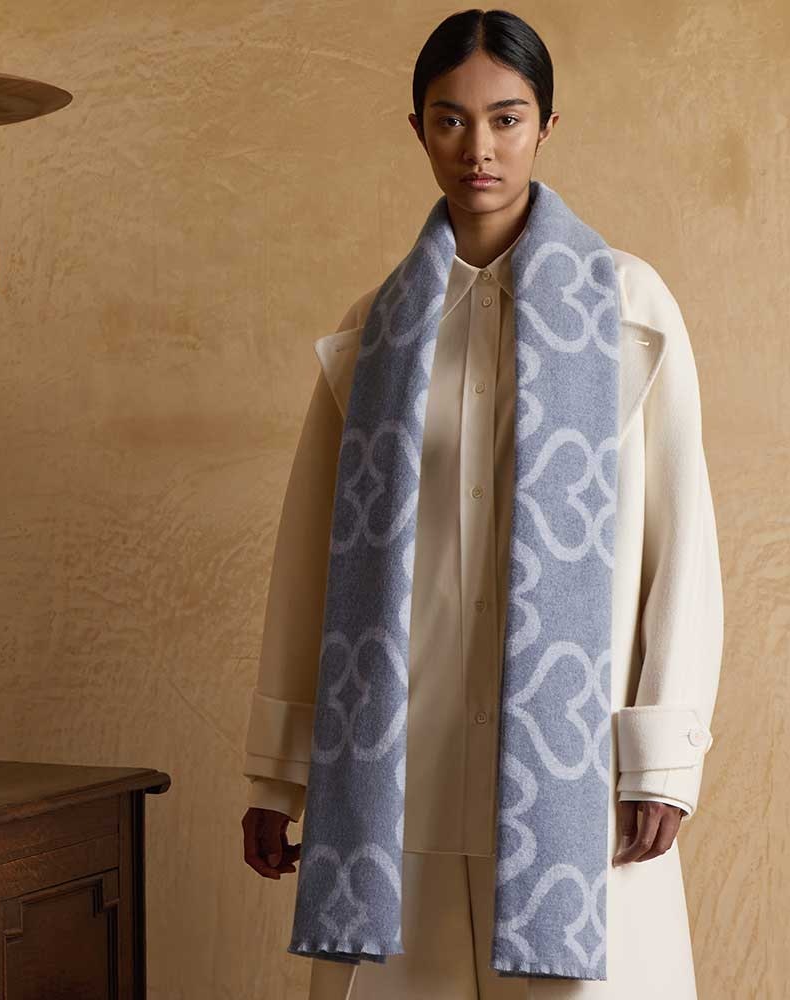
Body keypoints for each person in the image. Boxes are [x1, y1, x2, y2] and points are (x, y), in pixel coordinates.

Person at [238, 9, 724, 999]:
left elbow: (685, 547)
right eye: (451, 121)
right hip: (402, 770)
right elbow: (308, 561)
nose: (480, 149)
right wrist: (280, 772)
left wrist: (661, 757)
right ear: (416, 129)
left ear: (546, 124)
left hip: (569, 777)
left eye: (506, 118)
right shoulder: (375, 329)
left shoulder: (628, 307)